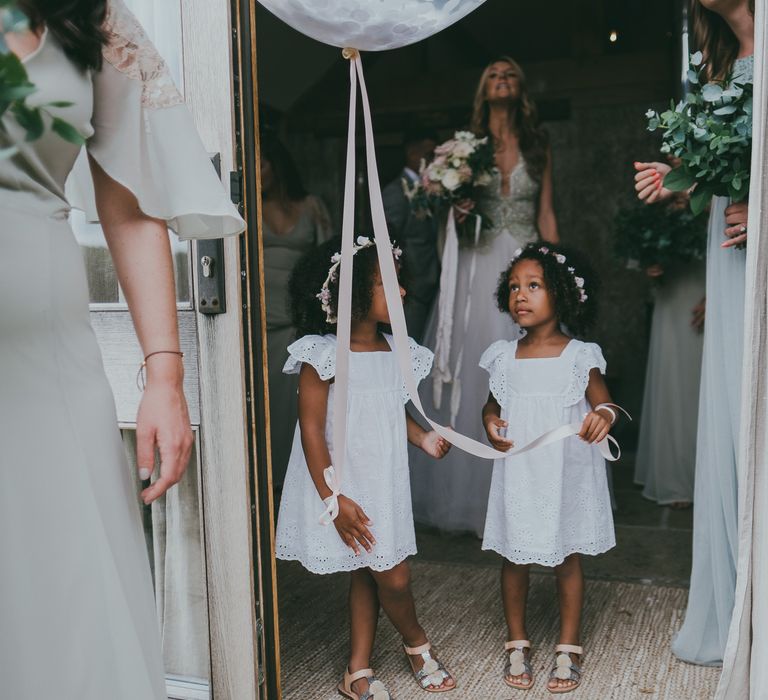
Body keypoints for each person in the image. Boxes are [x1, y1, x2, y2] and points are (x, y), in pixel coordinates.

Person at [0, 1, 244, 698]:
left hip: (47, 368)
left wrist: (165, 375)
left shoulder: (89, 17)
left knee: (67, 589)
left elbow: (131, 205)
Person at [275, 236, 456, 698]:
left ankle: (357, 669)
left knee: (371, 569)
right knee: (392, 575)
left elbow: (391, 411)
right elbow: (313, 430)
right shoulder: (323, 354)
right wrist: (333, 498)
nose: (401, 292)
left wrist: (425, 438)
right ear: (351, 292)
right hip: (344, 483)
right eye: (387, 282)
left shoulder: (398, 350)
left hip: (383, 478)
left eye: (400, 282)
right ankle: (417, 643)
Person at [633, 0, 754, 665]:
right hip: (733, 257)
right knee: (736, 419)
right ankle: (740, 606)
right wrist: (674, 183)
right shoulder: (715, 74)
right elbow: (713, 185)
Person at [411, 56, 559, 535]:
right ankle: (469, 499)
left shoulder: (538, 144)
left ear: (521, 87)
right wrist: (453, 207)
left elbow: (546, 211)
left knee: (531, 364)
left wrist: (558, 272)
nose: (502, 79)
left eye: (511, 73)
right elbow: (444, 211)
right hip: (477, 265)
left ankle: (532, 494)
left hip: (526, 258)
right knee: (476, 364)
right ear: (483, 86)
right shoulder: (464, 146)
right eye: (493, 73)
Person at [480, 243, 616, 693]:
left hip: (566, 470)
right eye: (515, 287)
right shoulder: (503, 355)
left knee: (567, 554)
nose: (521, 295)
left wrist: (604, 416)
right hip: (521, 468)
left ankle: (568, 644)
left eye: (534, 286)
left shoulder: (580, 355)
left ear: (561, 293)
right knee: (514, 555)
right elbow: (491, 406)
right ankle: (516, 639)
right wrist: (490, 423)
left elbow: (606, 403)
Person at [261, 132, 332, 487]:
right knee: (269, 408)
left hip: (299, 322)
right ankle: (268, 482)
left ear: (278, 164)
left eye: (262, 162)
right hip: (260, 323)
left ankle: (303, 483)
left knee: (301, 408)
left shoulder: (311, 206)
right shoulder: (244, 205)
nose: (256, 170)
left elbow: (327, 262)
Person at [633, 195, 706, 508]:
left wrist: (718, 293)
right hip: (672, 291)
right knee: (674, 380)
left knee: (698, 382)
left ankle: (705, 477)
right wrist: (650, 264)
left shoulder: (715, 185)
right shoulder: (660, 194)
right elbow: (641, 245)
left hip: (704, 286)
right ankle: (675, 477)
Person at [381, 127, 439, 342]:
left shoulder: (431, 188)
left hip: (431, 282)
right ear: (412, 152)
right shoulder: (395, 192)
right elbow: (389, 241)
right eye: (429, 154)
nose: (433, 161)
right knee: (409, 343)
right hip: (412, 285)